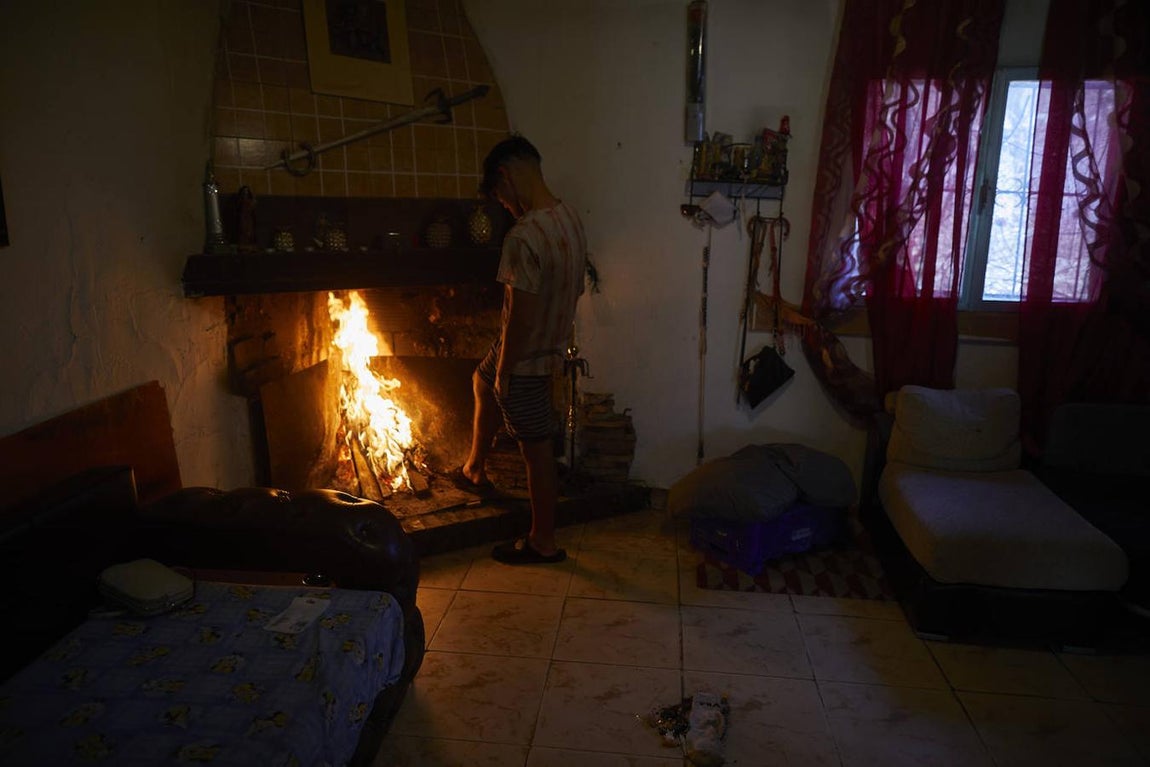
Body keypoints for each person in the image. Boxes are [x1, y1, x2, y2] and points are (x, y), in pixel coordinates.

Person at [458, 135, 587, 564]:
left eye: (500, 197)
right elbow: (577, 287)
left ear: (505, 177)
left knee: (537, 452)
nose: (505, 206)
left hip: (528, 358)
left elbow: (520, 316)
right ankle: (474, 469)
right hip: (547, 345)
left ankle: (542, 542)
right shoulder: (569, 219)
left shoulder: (524, 235)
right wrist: (496, 368)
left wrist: (507, 372)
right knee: (479, 377)